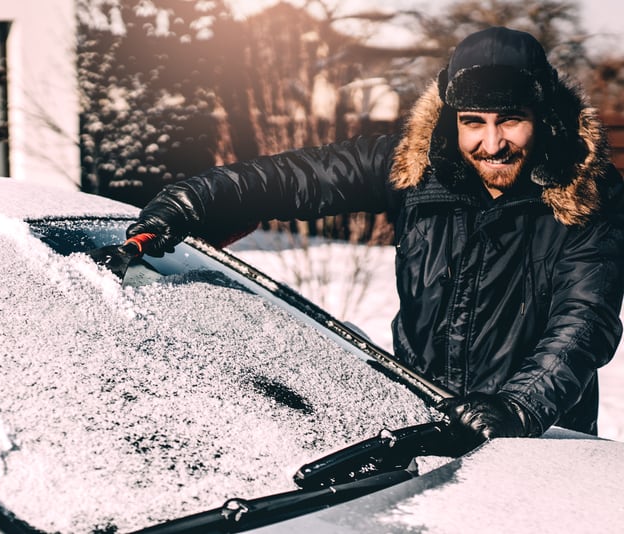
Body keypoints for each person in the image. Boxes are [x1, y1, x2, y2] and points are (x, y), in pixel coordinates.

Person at [126, 26, 624, 441]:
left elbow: (584, 319)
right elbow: (294, 178)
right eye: (474, 122)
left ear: (544, 118)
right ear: (453, 121)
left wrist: (518, 409)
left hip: (537, 435)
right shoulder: (412, 165)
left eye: (511, 121)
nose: (491, 144)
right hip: (418, 421)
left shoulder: (588, 191)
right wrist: (190, 202)